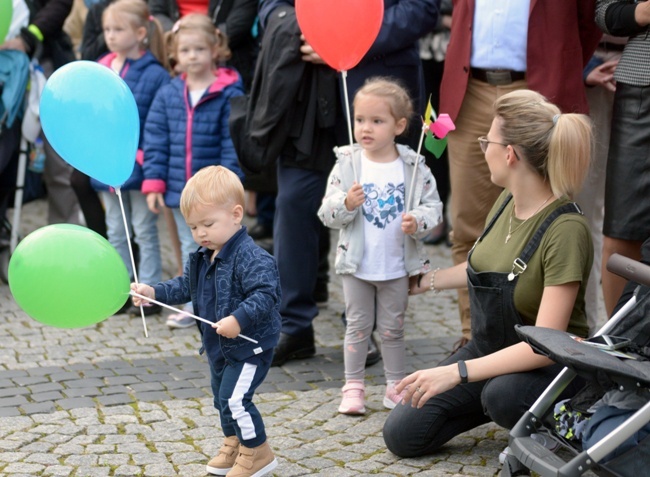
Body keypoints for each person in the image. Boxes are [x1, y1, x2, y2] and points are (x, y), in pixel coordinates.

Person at [382, 90, 593, 463]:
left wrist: (456, 373)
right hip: (489, 350)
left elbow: (544, 345)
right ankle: (490, 398)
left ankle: (558, 426)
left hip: (550, 368)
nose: (483, 148)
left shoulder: (566, 228)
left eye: (487, 141)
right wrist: (422, 283)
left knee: (503, 396)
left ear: (510, 153)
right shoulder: (507, 200)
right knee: (403, 435)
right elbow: (486, 267)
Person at [257, 0, 439, 368]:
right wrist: (304, 30)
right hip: (303, 94)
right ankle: (293, 326)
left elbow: (420, 9)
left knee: (376, 207)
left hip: (377, 90)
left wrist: (348, 41)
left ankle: (362, 323)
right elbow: (269, 6)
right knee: (293, 203)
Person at [440, 0, 601, 351]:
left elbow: (587, 23)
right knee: (467, 222)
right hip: (472, 88)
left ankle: (560, 338)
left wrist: (565, 67)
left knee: (555, 218)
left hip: (538, 88)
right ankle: (475, 334)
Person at [131, 165, 280, 477]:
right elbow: (185, 286)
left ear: (236, 215)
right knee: (221, 400)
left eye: (208, 224)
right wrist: (152, 290)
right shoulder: (201, 257)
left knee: (235, 399)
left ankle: (257, 451)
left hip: (249, 347)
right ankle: (234, 442)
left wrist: (238, 319)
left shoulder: (253, 258)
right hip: (219, 348)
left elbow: (266, 296)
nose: (200, 234)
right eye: (193, 227)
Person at [318, 78, 443, 415]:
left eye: (377, 121)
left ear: (399, 126)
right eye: (360, 120)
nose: (365, 128)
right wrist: (346, 202)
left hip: (395, 266)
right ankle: (353, 386)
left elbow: (434, 207)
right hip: (357, 266)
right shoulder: (347, 163)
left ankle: (395, 386)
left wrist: (417, 219)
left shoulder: (413, 166)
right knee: (357, 327)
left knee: (393, 329)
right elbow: (326, 212)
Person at [143, 13, 244, 328]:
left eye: (199, 49)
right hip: (177, 187)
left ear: (215, 49)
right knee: (189, 248)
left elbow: (232, 142)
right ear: (175, 54)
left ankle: (209, 305)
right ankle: (198, 304)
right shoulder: (169, 93)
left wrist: (227, 185)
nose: (192, 56)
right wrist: (154, 182)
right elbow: (156, 138)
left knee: (217, 249)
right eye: (185, 51)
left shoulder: (229, 92)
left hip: (213, 192)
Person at [92, 0, 170, 315]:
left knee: (143, 228)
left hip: (138, 165)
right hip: (105, 164)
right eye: (107, 29)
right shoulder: (101, 65)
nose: (110, 35)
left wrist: (142, 158)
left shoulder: (155, 75)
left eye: (118, 29)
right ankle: (121, 290)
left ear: (140, 32)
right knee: (115, 228)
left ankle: (147, 292)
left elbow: (156, 123)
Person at [595, 0, 650, 317]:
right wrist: (642, 12)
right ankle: (618, 346)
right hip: (642, 91)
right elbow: (604, 12)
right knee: (622, 231)